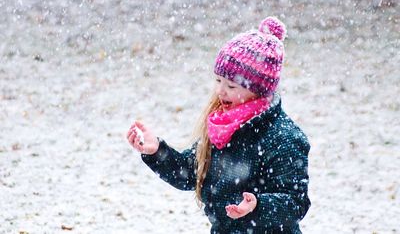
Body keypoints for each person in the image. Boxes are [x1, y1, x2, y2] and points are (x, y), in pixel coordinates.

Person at [127, 17, 311, 234]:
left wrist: (258, 206)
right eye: (218, 81)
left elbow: (295, 203)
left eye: (231, 86)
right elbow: (191, 173)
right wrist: (157, 151)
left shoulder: (284, 138)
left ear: (258, 89)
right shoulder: (223, 126)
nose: (220, 91)